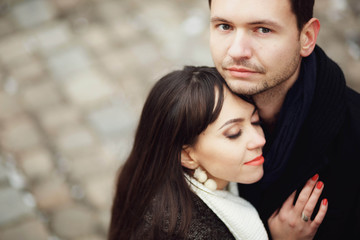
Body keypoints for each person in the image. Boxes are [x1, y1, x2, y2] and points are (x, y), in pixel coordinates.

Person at [108, 66, 328, 240]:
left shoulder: (150, 178)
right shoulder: (182, 232)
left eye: (255, 121)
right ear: (187, 155)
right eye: (233, 133)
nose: (260, 139)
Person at [207, 0, 360, 239]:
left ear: (306, 37)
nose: (237, 51)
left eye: (263, 30)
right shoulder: (189, 118)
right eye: (225, 26)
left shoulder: (354, 131)